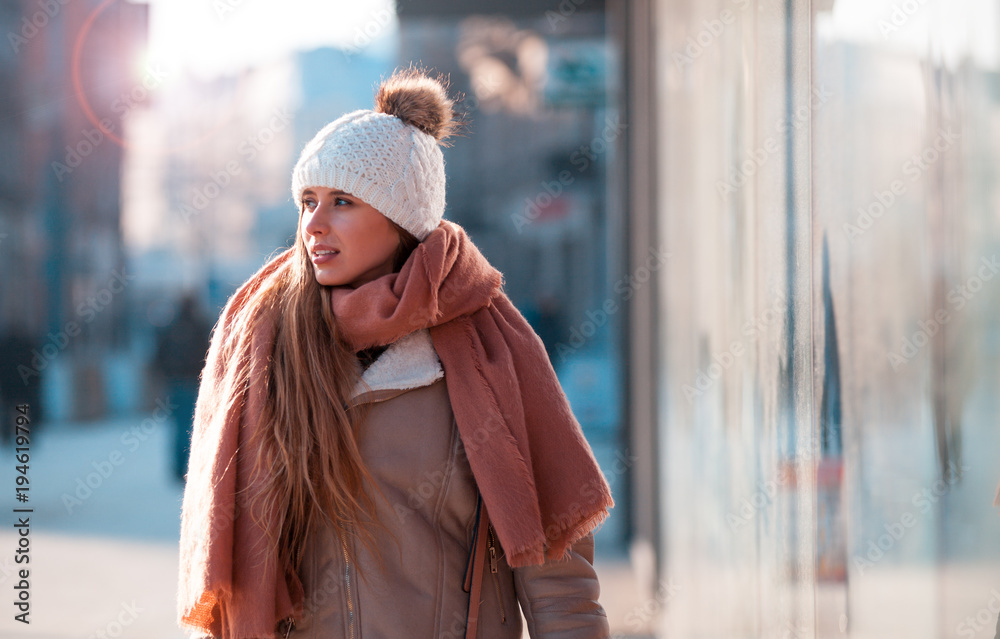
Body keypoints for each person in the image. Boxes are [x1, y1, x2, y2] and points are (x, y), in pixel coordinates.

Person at [177, 67, 614, 639]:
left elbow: (556, 563)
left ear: (401, 217)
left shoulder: (489, 350)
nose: (314, 224)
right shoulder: (265, 344)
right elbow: (231, 554)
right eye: (307, 201)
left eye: (342, 201)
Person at [151, 292, 212, 482]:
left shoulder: (170, 328)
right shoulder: (201, 327)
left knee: (178, 427)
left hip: (175, 384)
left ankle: (178, 469)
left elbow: (158, 357)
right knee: (196, 426)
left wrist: (167, 376)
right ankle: (192, 467)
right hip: (196, 384)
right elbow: (211, 355)